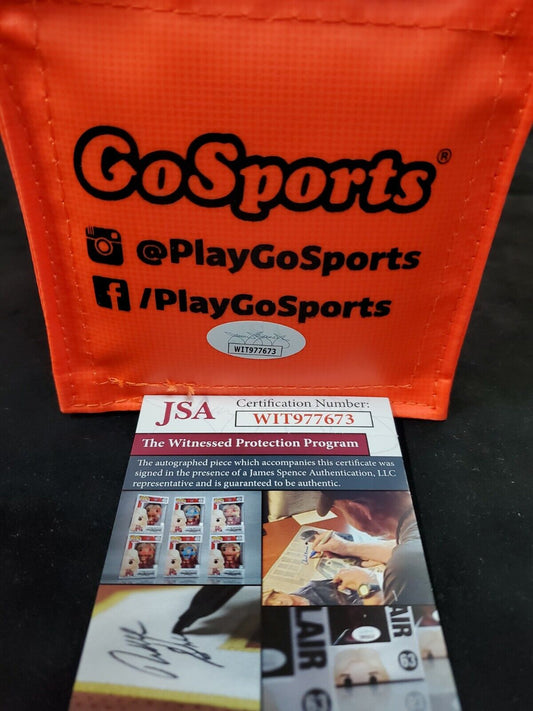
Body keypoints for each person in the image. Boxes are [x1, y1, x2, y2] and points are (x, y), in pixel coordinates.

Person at [312, 491, 434, 605]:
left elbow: (389, 620)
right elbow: (403, 549)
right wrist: (346, 547)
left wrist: (368, 587)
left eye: (343, 512)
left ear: (361, 510)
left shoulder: (405, 565)